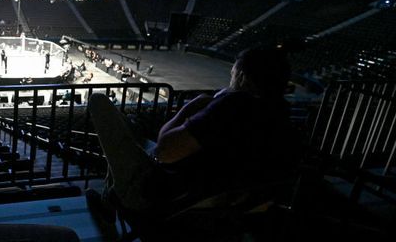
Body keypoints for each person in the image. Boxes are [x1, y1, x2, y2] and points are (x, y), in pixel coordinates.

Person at [85, 46, 298, 224]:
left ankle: (114, 197)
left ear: (241, 77)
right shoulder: (283, 118)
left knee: (99, 102)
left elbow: (164, 150)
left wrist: (196, 104)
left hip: (164, 200)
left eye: (232, 74)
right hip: (224, 209)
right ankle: (110, 198)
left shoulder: (234, 106)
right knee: (133, 132)